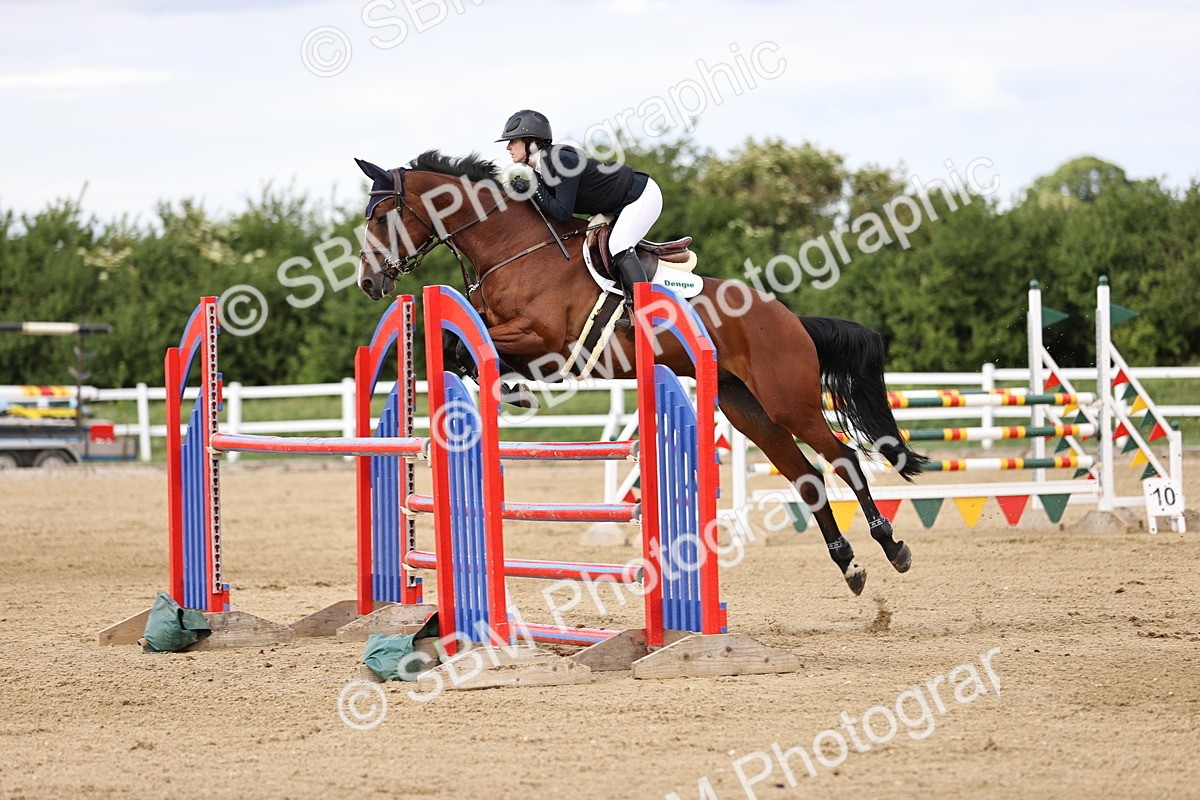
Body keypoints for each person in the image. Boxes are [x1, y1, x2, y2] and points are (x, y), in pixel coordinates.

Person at [497, 109, 662, 311]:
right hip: (615, 205)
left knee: (619, 244)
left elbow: (562, 214)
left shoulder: (560, 160)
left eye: (513, 141)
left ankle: (647, 310)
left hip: (641, 195)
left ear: (531, 142)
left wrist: (534, 189)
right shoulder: (541, 170)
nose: (508, 147)